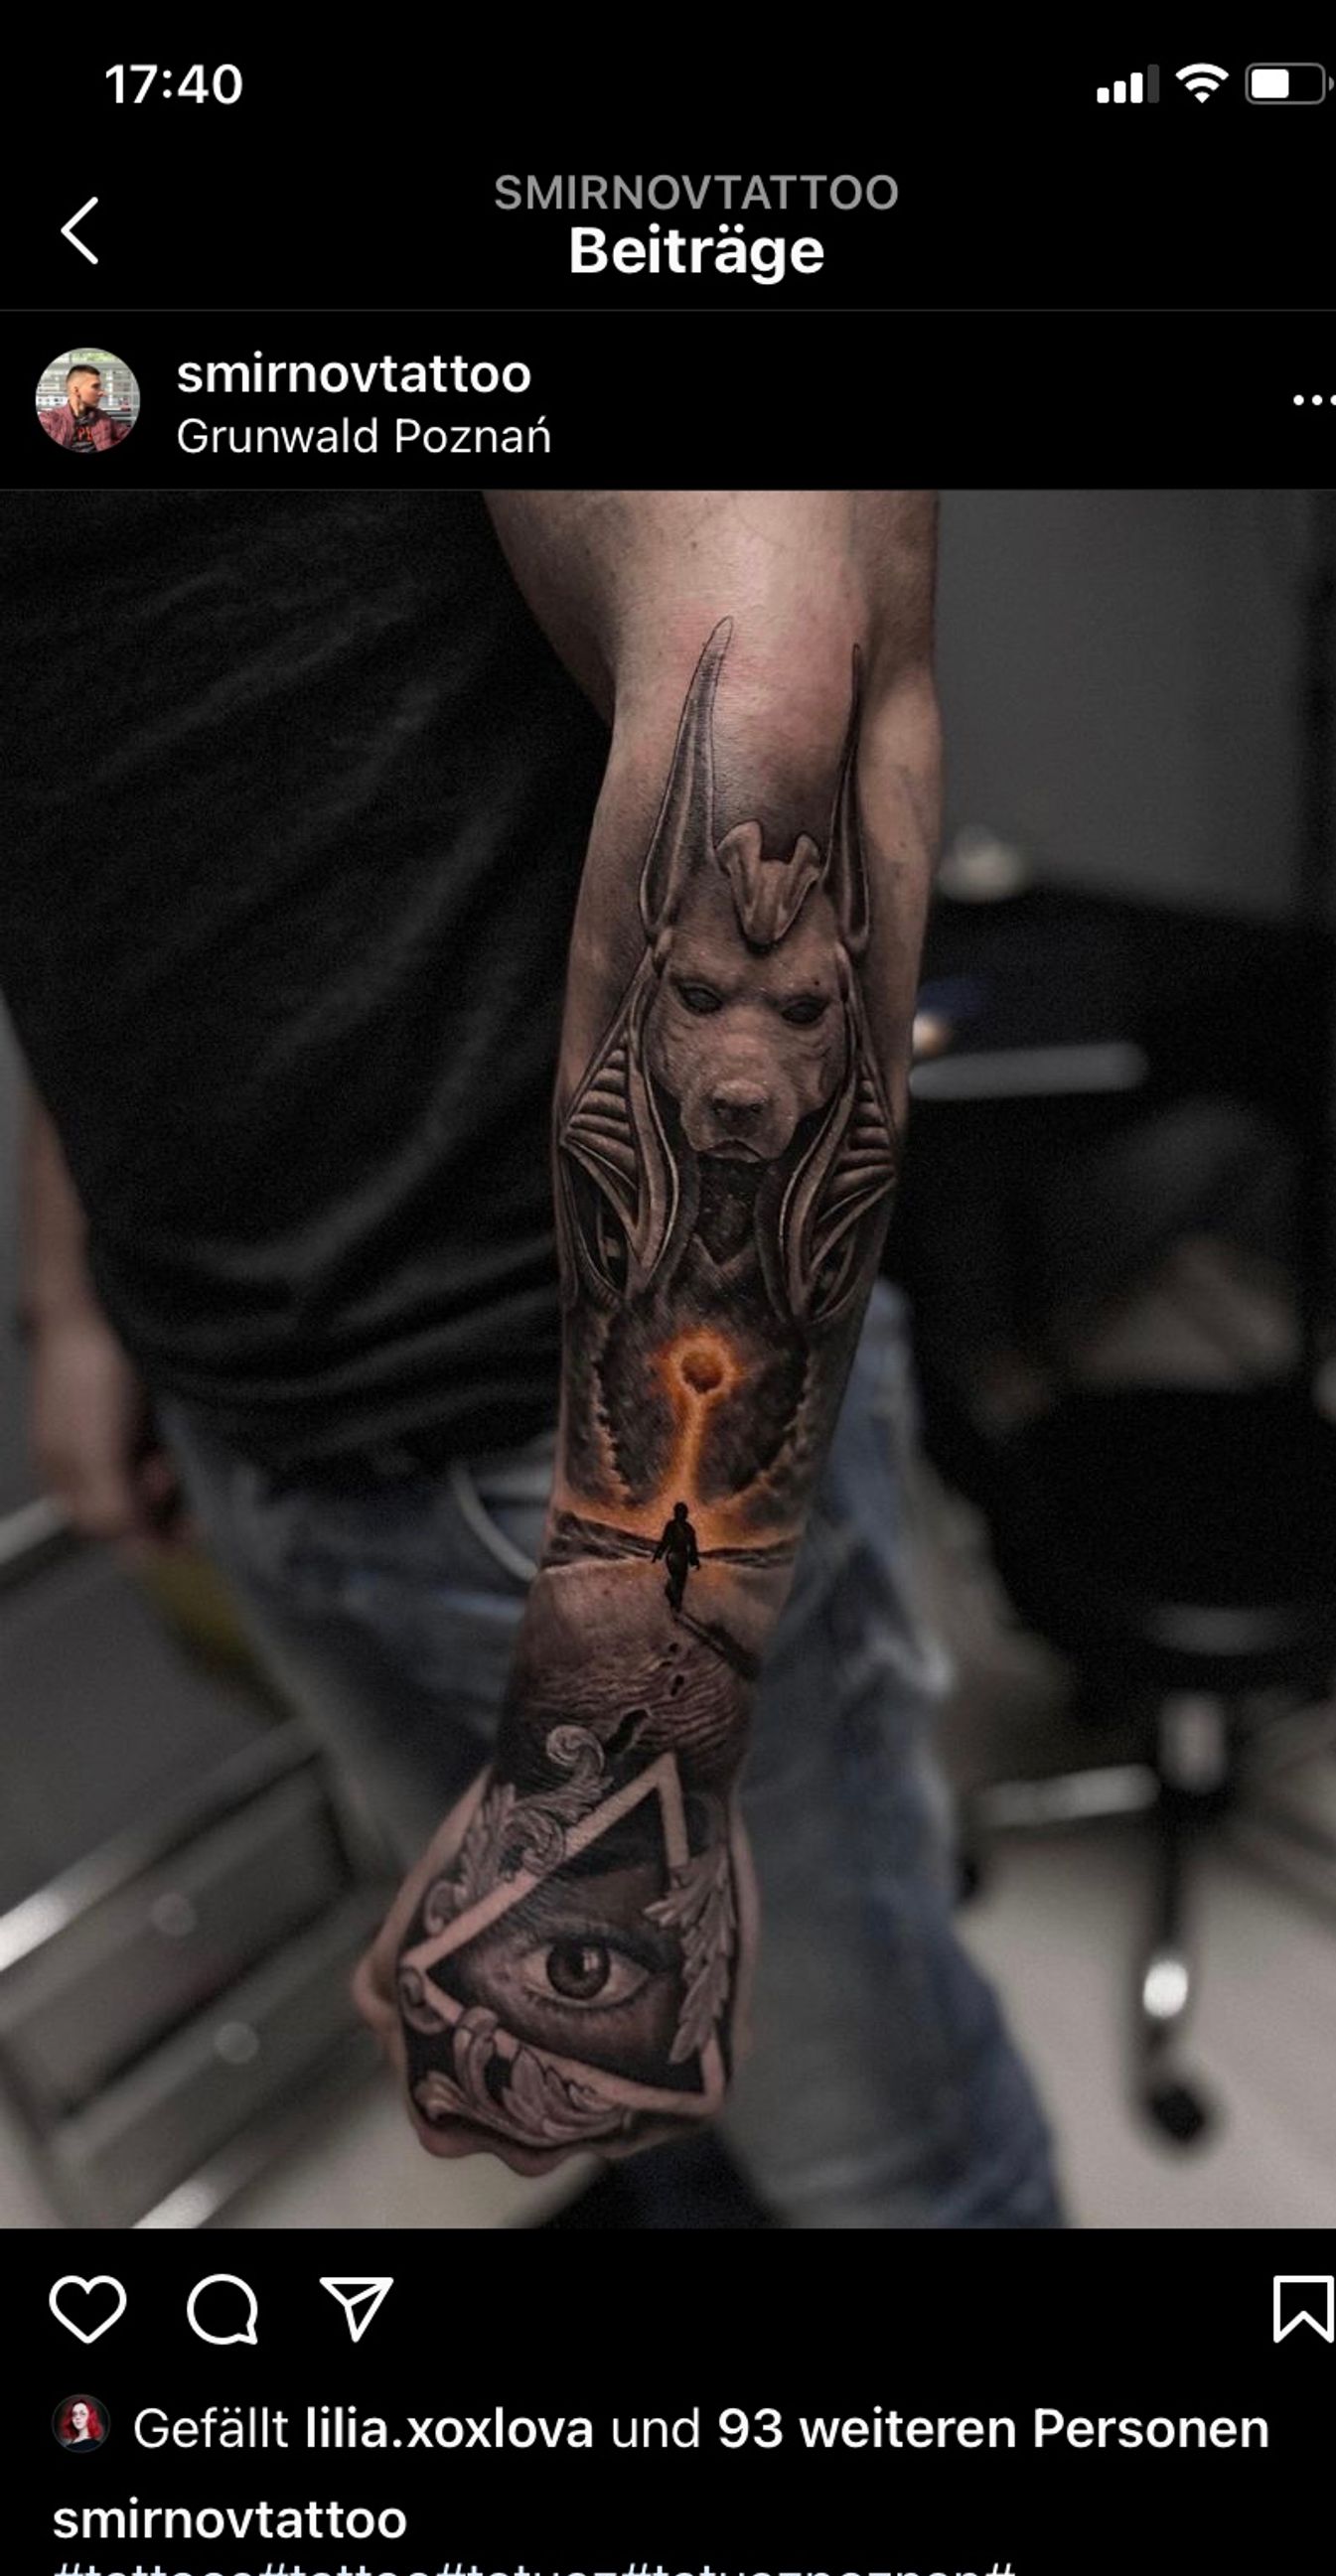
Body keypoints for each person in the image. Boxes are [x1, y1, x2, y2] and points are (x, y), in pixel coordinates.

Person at [2, 488, 1060, 2228]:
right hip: (235, 1390)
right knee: (645, 2096)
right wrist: (71, 1280)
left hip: (600, 1459)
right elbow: (97, 768)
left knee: (892, 2174)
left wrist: (614, 1768)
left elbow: (770, 696)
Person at [37, 363, 131, 453]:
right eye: (95, 386)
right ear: (76, 390)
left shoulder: (102, 417)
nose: (102, 393)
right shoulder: (49, 420)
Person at [653, 1502, 700, 1615]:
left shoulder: (688, 1528)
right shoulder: (672, 1526)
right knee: (677, 1578)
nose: (682, 1514)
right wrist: (658, 1554)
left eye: (683, 1512)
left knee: (681, 1581)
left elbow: (693, 1546)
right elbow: (665, 1541)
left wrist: (695, 1561)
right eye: (680, 1512)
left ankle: (675, 1601)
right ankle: (673, 1598)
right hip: (673, 1555)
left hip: (682, 1556)